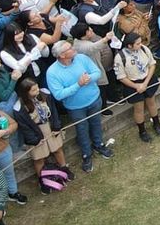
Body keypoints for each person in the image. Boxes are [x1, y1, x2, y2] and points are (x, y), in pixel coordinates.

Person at [45, 41, 113, 172]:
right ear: (62, 55)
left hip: (94, 99)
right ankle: (86, 154)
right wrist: (78, 85)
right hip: (75, 107)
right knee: (82, 130)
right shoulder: (52, 72)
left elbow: (96, 72)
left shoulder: (82, 58)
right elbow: (58, 94)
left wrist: (88, 78)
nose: (73, 48)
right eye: (69, 48)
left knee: (96, 123)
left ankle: (99, 144)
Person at [113, 32, 160, 143]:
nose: (140, 45)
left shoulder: (144, 49)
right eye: (137, 44)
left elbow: (152, 65)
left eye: (140, 42)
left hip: (147, 79)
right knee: (139, 108)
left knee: (151, 102)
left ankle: (156, 123)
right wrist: (136, 86)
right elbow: (121, 77)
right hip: (132, 84)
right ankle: (142, 131)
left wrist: (145, 83)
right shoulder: (120, 57)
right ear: (129, 45)